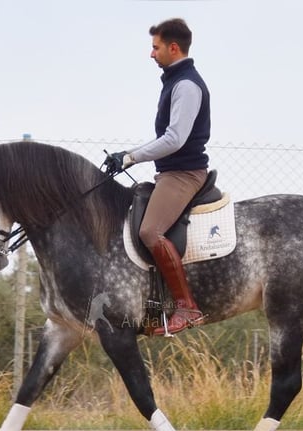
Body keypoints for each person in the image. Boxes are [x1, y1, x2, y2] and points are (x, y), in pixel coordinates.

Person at [108, 18, 210, 336]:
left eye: (155, 47)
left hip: (184, 174)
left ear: (173, 48)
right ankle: (155, 311)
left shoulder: (186, 85)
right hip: (170, 173)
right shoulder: (174, 81)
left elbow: (175, 139)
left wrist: (129, 156)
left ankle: (187, 307)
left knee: (151, 231)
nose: (151, 54)